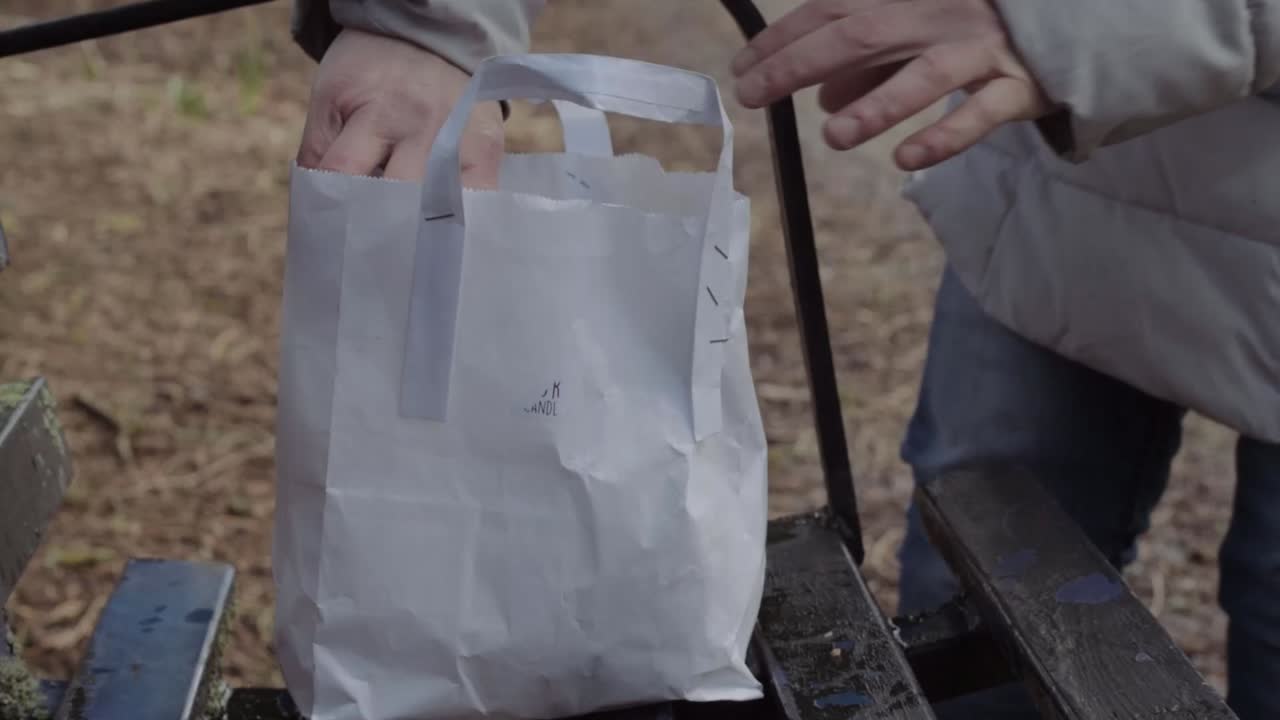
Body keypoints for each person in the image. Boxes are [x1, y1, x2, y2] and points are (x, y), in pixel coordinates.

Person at [288, 1, 1280, 718]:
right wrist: (431, 17)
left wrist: (1092, 22)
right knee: (977, 604)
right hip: (1053, 202)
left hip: (1072, 88)